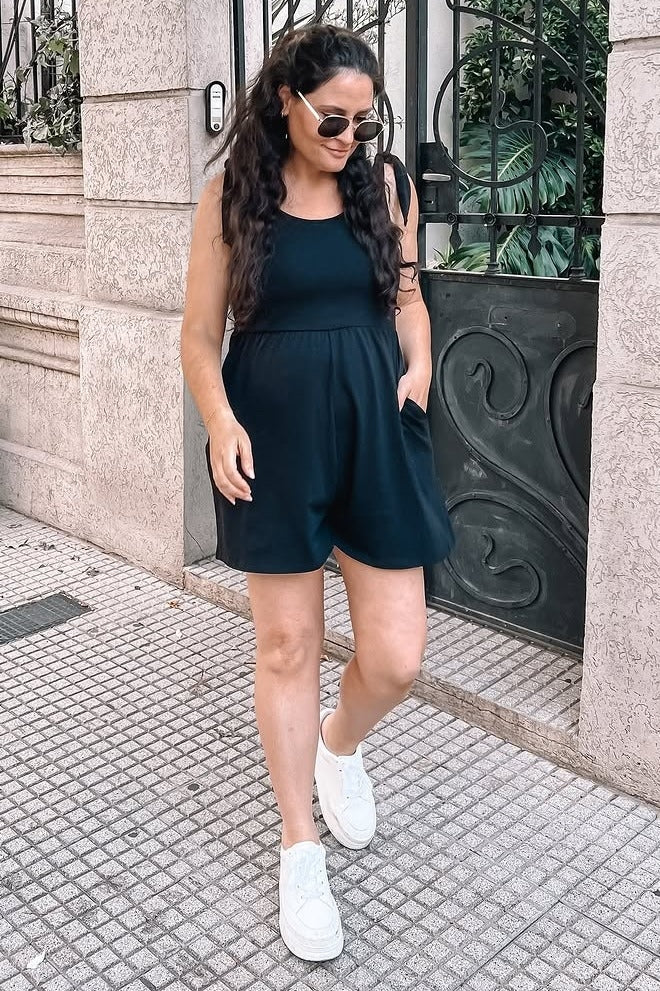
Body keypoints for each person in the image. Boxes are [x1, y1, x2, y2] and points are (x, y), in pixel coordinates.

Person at [180, 21, 454, 962]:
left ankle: (339, 744)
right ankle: (300, 844)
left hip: (376, 429)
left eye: (363, 123)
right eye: (332, 119)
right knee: (287, 644)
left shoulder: (385, 188)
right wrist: (219, 420)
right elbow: (198, 335)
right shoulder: (233, 197)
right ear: (285, 103)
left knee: (398, 656)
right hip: (275, 437)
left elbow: (407, 300)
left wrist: (420, 365)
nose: (348, 138)